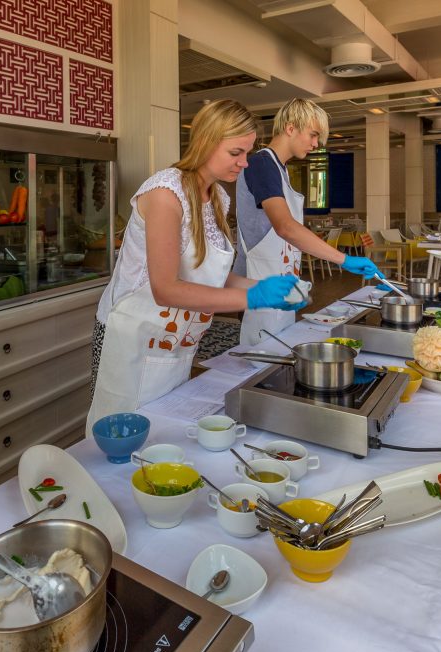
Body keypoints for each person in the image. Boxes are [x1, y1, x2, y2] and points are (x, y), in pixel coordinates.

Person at [88, 100, 305, 430]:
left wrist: (271, 289)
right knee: (121, 439)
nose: (244, 163)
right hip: (131, 337)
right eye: (236, 152)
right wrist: (253, 297)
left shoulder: (218, 197)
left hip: (176, 342)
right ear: (207, 140)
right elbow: (165, 289)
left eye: (247, 153)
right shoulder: (165, 193)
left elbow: (214, 275)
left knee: (162, 433)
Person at [234, 98, 382, 345]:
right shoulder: (261, 163)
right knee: (259, 358)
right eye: (313, 135)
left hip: (280, 281)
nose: (316, 144)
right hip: (258, 281)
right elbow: (285, 227)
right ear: (290, 128)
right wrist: (343, 259)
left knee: (278, 350)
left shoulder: (279, 169)